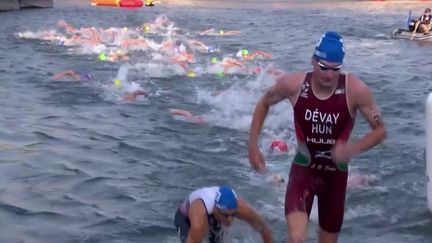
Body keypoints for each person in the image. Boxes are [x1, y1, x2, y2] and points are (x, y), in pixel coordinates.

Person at [247, 31, 387, 243]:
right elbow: (264, 103)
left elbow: (380, 130)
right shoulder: (293, 85)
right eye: (323, 67)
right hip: (303, 173)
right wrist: (253, 146)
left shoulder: (356, 90)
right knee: (296, 239)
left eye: (335, 69)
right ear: (313, 61)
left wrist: (351, 149)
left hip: (335, 180)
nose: (329, 75)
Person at [174, 186, 274, 243]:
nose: (230, 220)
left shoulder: (242, 208)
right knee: (197, 235)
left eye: (233, 214)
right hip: (185, 219)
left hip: (214, 215)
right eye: (226, 215)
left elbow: (265, 231)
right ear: (216, 209)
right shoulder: (199, 217)